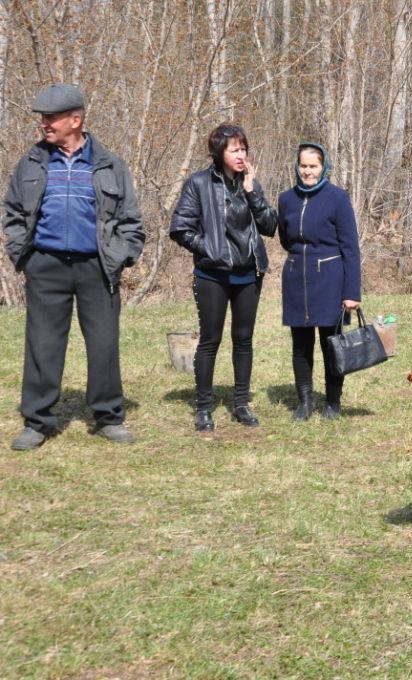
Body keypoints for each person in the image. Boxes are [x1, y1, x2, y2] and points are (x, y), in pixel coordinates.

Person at [3, 84, 145, 451]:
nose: (44, 124)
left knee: (103, 344)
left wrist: (120, 255)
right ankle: (38, 422)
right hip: (45, 264)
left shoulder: (109, 164)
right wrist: (26, 255)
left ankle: (108, 416)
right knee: (42, 345)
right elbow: (14, 213)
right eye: (43, 118)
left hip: (96, 268)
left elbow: (131, 221)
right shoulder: (32, 162)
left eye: (50, 118)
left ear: (75, 120)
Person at [169, 123, 277, 431]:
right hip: (212, 275)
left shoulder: (251, 183)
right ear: (220, 152)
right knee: (210, 341)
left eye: (244, 149)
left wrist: (252, 192)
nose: (242, 155)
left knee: (243, 340)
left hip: (248, 274)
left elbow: (270, 226)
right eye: (235, 149)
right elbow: (180, 227)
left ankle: (241, 404)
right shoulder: (199, 183)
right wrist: (210, 249)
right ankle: (203, 407)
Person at [277, 142, 361, 420]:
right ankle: (305, 402)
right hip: (296, 280)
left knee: (331, 345)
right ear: (296, 166)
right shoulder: (286, 199)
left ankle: (333, 402)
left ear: (324, 167)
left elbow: (350, 247)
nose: (307, 172)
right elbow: (285, 239)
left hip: (330, 281)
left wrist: (352, 292)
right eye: (303, 166)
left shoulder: (337, 197)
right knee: (300, 346)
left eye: (313, 166)